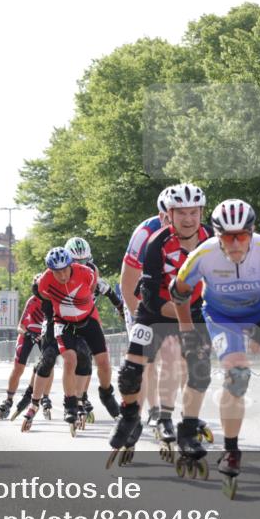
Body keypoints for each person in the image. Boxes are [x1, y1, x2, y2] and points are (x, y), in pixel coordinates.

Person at [170, 199, 260, 498]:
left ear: (252, 231)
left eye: (241, 236)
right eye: (227, 237)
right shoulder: (202, 255)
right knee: (238, 375)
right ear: (216, 235)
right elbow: (178, 293)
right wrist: (187, 332)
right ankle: (231, 451)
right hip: (223, 319)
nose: (234, 243)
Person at [107, 183, 212, 468]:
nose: (187, 219)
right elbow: (139, 291)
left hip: (190, 307)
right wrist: (132, 324)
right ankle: (131, 416)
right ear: (166, 214)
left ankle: (179, 424)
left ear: (202, 212)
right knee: (132, 372)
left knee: (196, 368)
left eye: (194, 213)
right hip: (152, 308)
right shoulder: (151, 239)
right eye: (180, 213)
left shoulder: (212, 238)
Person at [22, 247, 112, 436]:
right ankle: (39, 402)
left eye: (65, 270)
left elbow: (97, 292)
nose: (62, 275)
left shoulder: (87, 274)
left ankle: (86, 398)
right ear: (49, 270)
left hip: (86, 321)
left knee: (90, 360)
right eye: (57, 271)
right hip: (58, 322)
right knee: (50, 359)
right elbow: (43, 299)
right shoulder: (43, 282)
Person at [119, 187, 183, 429]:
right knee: (147, 357)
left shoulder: (194, 230)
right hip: (138, 294)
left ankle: (172, 411)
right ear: (161, 216)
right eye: (169, 215)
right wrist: (144, 321)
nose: (176, 221)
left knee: (174, 355)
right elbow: (128, 285)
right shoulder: (145, 234)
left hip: (169, 294)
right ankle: (151, 408)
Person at [64, 236, 125, 421]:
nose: (81, 266)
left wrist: (123, 310)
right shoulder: (60, 274)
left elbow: (116, 299)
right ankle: (72, 399)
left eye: (85, 262)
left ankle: (102, 394)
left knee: (96, 362)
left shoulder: (94, 275)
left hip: (88, 320)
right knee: (72, 358)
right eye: (76, 262)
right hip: (65, 322)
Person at [0, 291, 48, 420]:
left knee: (48, 364)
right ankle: (9, 400)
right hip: (28, 333)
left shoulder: (54, 299)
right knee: (19, 368)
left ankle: (44, 397)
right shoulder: (33, 300)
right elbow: (20, 327)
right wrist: (28, 334)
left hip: (45, 334)